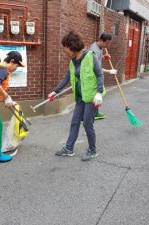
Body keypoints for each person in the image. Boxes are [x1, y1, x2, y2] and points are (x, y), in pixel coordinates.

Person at [48, 31, 104, 161]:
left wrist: (99, 93)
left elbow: (100, 74)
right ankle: (69, 148)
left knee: (87, 123)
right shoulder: (73, 61)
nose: (65, 51)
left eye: (66, 48)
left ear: (72, 46)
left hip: (91, 97)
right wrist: (55, 92)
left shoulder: (90, 56)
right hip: (80, 97)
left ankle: (92, 150)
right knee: (74, 122)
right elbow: (66, 78)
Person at [89, 32, 117, 120]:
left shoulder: (99, 46)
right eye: (107, 43)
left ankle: (95, 112)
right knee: (99, 93)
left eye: (109, 43)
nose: (108, 45)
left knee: (98, 94)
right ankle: (90, 114)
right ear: (101, 40)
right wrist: (109, 71)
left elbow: (97, 59)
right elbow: (96, 68)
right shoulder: (95, 50)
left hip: (97, 75)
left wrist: (104, 57)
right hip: (94, 76)